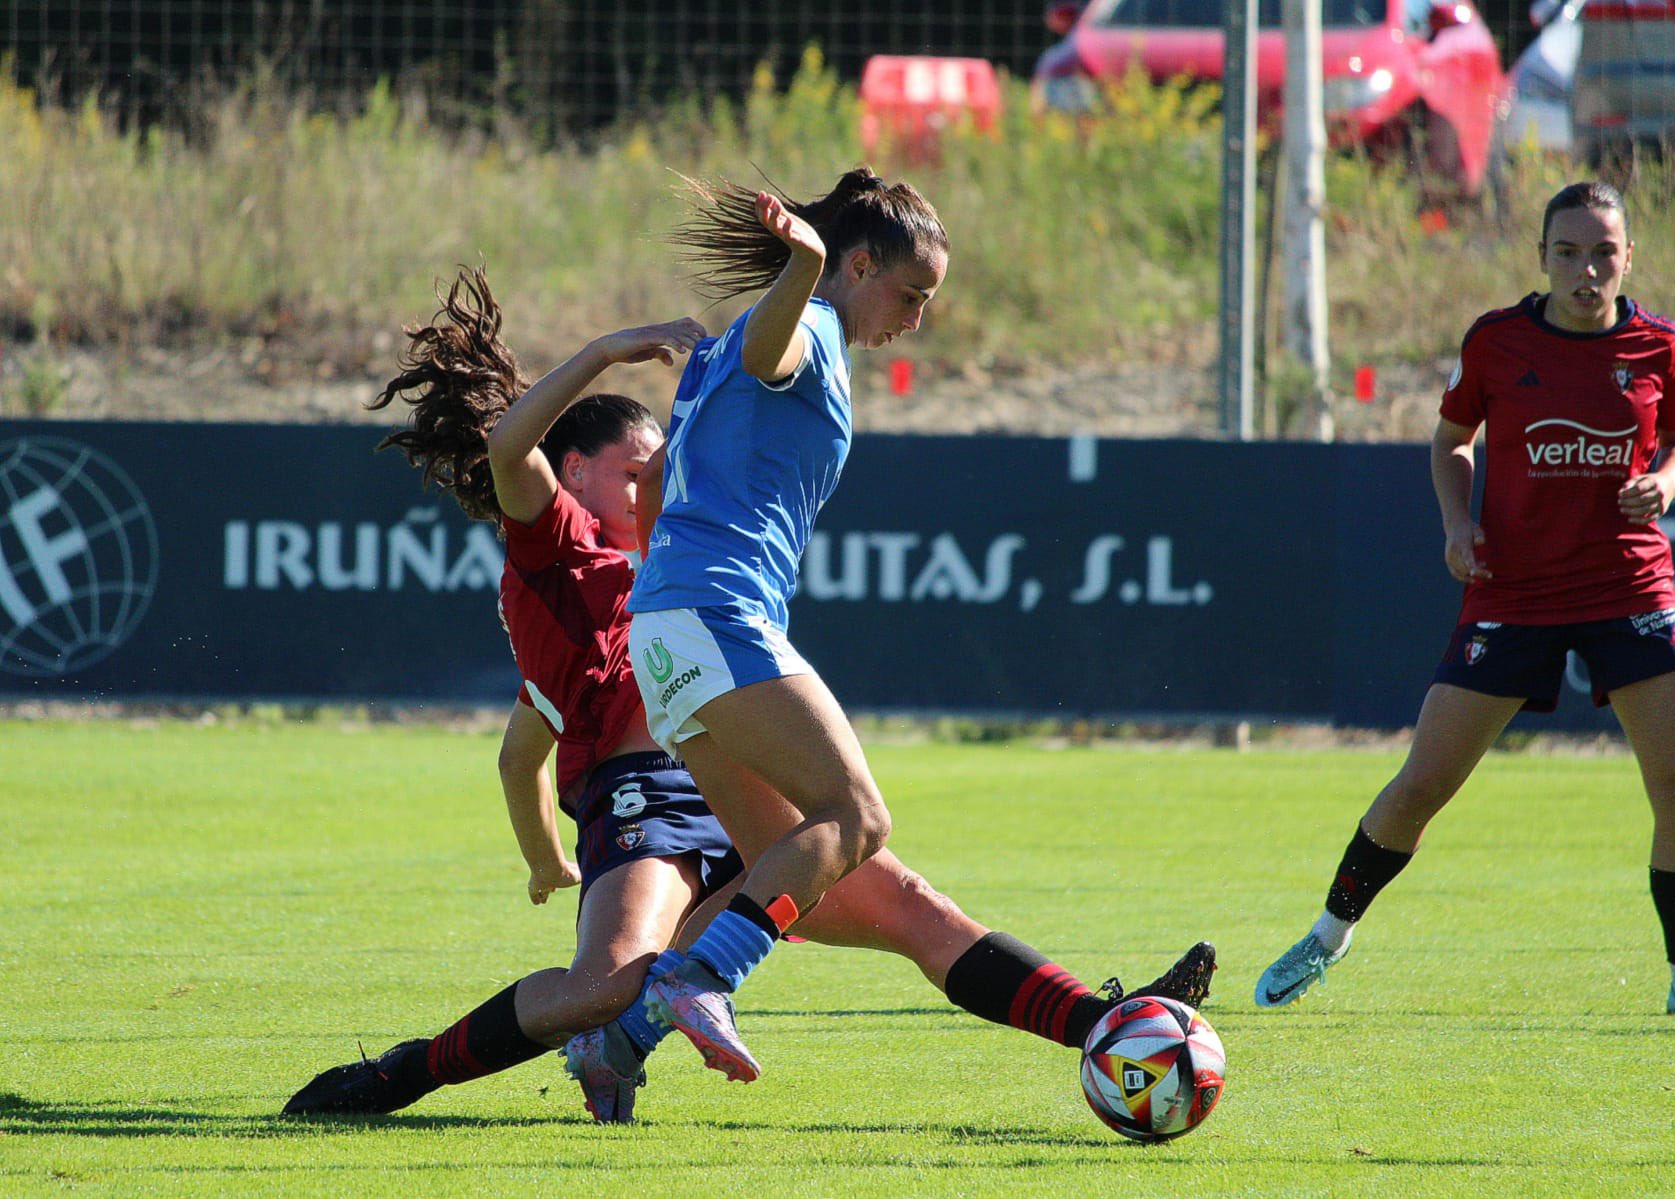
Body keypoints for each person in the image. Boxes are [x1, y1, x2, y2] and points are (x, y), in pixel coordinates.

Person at [282, 267, 1217, 1123]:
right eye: (633, 465)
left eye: (661, 462)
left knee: (914, 909)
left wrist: (540, 856)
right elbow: (508, 453)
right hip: (645, 803)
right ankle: (404, 1073)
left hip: (733, 784)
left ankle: (1107, 1024)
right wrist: (609, 350)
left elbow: (525, 741)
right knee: (606, 986)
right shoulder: (559, 546)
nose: (653, 475)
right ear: (574, 477)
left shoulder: (671, 568)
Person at [1252, 181, 1675, 1020]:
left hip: (1628, 583)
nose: (1586, 269)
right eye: (1567, 251)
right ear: (1541, 258)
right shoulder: (1497, 342)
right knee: (1424, 781)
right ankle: (1326, 935)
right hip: (1514, 591)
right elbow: (1451, 440)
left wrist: (1667, 482)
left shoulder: (1658, 345)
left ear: (1628, 257)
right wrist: (1456, 523)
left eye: (1603, 251)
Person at [608, 166, 965, 1079]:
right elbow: (776, 352)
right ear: (855, 263)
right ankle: (699, 980)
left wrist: (660, 590)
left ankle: (616, 1039)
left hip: (672, 623)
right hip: (715, 611)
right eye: (911, 292)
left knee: (777, 858)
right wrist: (799, 273)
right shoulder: (803, 321)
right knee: (857, 816)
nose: (916, 318)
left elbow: (654, 484)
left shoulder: (754, 335)